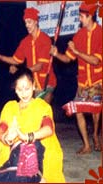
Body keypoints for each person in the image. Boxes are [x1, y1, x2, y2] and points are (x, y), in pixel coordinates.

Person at [0, 67, 65, 182]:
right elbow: (0, 128)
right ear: (15, 90)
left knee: (28, 151)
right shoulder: (10, 107)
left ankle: (36, 175)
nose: (24, 93)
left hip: (36, 152)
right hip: (13, 155)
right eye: (19, 89)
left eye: (27, 88)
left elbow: (48, 129)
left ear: (33, 86)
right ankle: (34, 178)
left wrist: (27, 137)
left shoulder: (42, 106)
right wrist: (6, 138)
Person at [50, 2, 102, 154]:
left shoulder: (100, 33)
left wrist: (77, 52)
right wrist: (56, 54)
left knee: (95, 110)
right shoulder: (78, 35)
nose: (79, 19)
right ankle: (86, 145)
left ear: (90, 16)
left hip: (98, 79)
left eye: (81, 17)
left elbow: (96, 61)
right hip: (82, 81)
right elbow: (67, 58)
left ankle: (95, 135)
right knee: (78, 110)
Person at [0, 7, 56, 103]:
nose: (27, 25)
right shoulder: (25, 42)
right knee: (30, 112)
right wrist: (0, 57)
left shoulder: (45, 39)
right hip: (33, 84)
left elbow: (39, 66)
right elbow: (16, 60)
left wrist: (20, 71)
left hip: (47, 83)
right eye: (25, 23)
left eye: (29, 22)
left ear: (36, 22)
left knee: (43, 111)